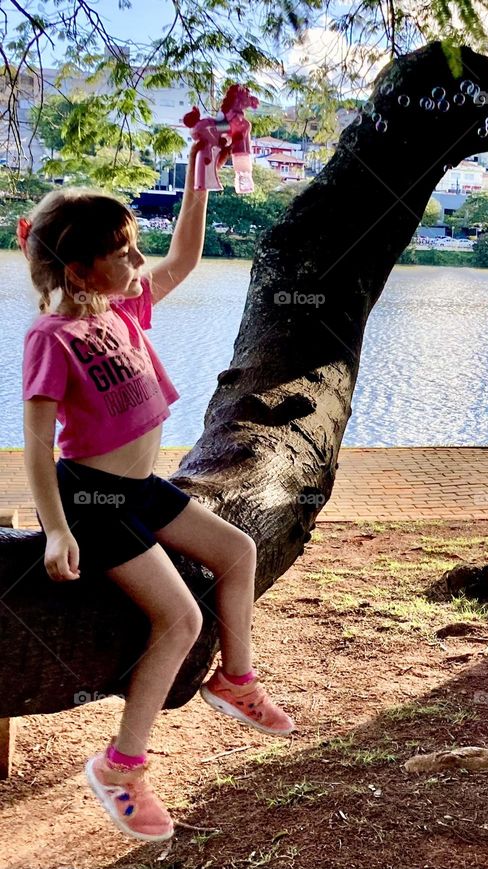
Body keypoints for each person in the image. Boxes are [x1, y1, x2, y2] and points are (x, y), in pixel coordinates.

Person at [19, 139, 295, 843]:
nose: (138, 263)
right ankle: (121, 764)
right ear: (80, 267)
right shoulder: (52, 338)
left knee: (235, 552)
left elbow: (184, 260)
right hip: (93, 500)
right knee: (179, 621)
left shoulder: (121, 311)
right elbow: (38, 443)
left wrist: (200, 179)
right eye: (123, 251)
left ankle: (236, 679)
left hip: (143, 487)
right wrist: (55, 528)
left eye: (133, 247)